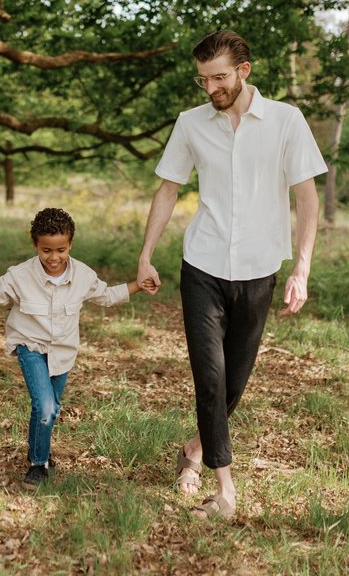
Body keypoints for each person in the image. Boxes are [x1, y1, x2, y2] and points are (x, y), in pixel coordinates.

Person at [137, 30, 327, 520]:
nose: (210, 88)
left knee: (234, 382)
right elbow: (167, 190)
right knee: (210, 378)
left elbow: (307, 199)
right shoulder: (191, 124)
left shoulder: (286, 121)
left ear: (244, 71)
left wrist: (301, 268)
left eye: (219, 77)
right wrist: (146, 254)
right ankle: (225, 493)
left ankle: (194, 451)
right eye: (203, 79)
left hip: (259, 270)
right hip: (202, 265)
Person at [0, 208, 147, 488]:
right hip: (30, 346)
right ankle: (38, 464)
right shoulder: (19, 276)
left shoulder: (84, 276)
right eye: (46, 250)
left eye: (61, 250)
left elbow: (108, 296)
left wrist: (139, 285)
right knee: (45, 406)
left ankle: (37, 451)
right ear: (35, 245)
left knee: (50, 408)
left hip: (63, 352)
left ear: (70, 245)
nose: (54, 257)